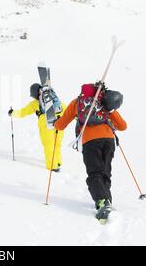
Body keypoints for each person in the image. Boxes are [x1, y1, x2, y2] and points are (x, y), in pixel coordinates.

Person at [53, 83, 126, 220]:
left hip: (90, 141)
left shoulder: (78, 103)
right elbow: (123, 126)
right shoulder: (104, 104)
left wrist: (55, 123)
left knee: (94, 173)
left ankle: (103, 202)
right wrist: (110, 111)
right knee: (105, 172)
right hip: (109, 140)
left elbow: (61, 125)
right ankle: (106, 201)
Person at [8, 83, 66, 171]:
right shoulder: (53, 99)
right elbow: (64, 108)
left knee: (49, 145)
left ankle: (52, 166)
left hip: (47, 125)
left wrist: (12, 113)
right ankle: (58, 162)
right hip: (59, 122)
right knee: (57, 144)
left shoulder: (35, 103)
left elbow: (23, 112)